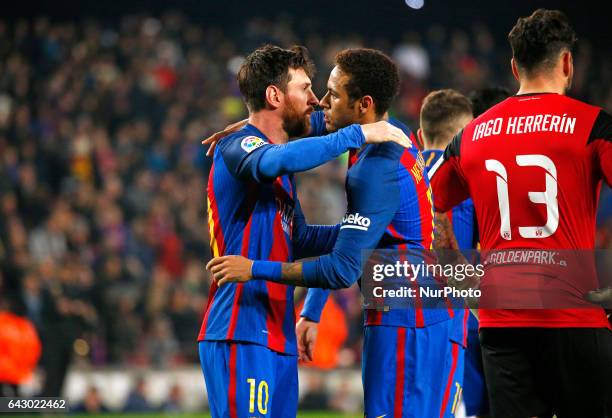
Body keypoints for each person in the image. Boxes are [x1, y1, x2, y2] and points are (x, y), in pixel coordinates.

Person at [208, 48, 464, 418]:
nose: (319, 101)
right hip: (424, 314)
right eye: (311, 89)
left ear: (364, 106)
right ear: (274, 96)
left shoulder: (373, 164)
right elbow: (342, 234)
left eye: (331, 93)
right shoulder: (388, 137)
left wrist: (254, 268)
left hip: (408, 320)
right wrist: (250, 129)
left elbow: (344, 266)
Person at [428, 9, 612, 417]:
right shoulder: (594, 125)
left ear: (514, 66)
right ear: (567, 63)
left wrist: (467, 286)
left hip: (502, 321)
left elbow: (435, 213)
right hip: (575, 317)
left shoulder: (470, 135)